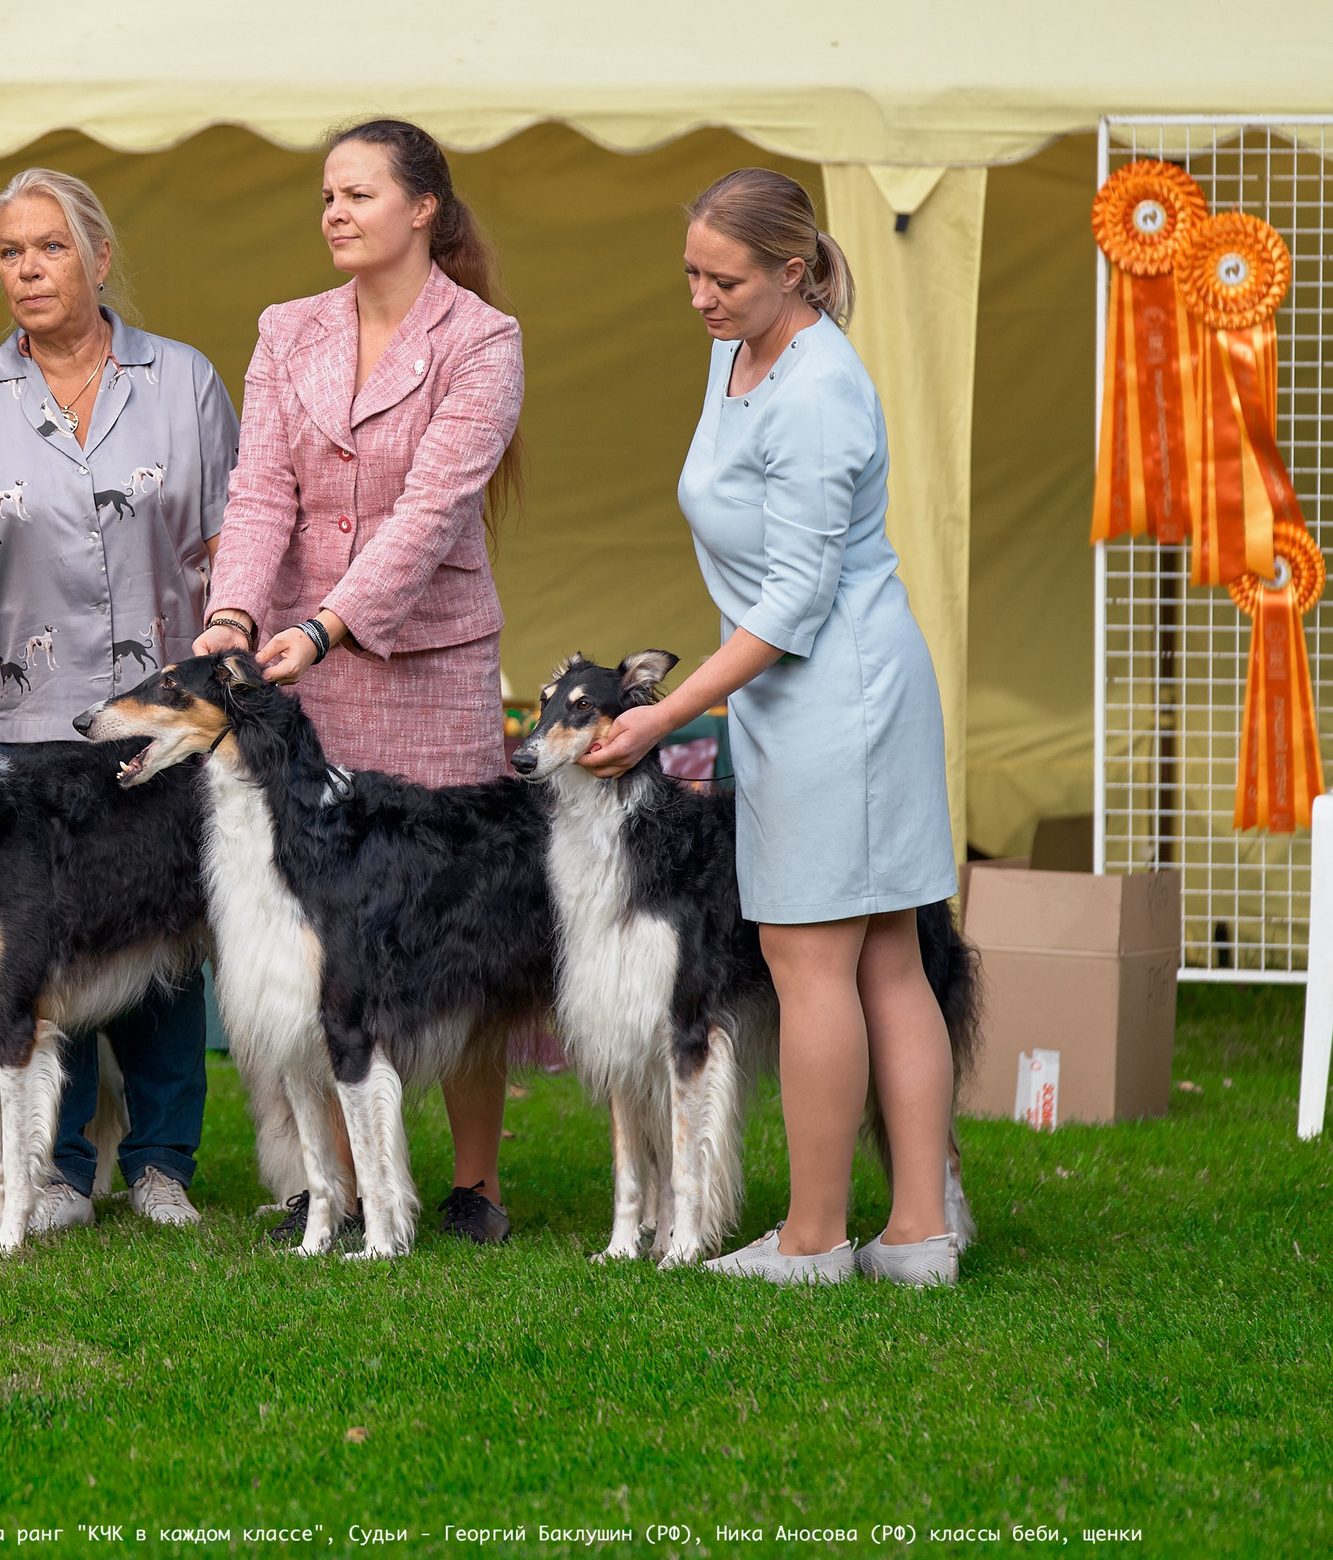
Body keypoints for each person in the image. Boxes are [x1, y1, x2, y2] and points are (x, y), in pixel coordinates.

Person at [582, 168, 961, 1286]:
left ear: (792, 272)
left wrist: (664, 712)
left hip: (836, 691)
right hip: (801, 692)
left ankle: (816, 1237)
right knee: (881, 955)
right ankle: (915, 1236)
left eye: (725, 277)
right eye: (690, 272)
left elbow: (792, 603)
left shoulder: (819, 390)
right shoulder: (735, 351)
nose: (700, 295)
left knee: (817, 963)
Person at [0, 168, 239, 1232]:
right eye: (10, 252)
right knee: (44, 938)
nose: (28, 270)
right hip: (34, 722)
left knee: (167, 928)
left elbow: (231, 532)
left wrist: (247, 640)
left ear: (99, 258)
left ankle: (163, 1162)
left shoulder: (183, 380)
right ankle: (59, 1171)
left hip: (165, 722)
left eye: (49, 249)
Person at [193, 117, 526, 1245]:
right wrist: (234, 614)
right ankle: (337, 1185)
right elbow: (257, 497)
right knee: (315, 928)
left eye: (358, 195)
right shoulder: (285, 330)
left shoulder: (482, 339)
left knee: (453, 920)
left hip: (425, 663)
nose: (333, 213)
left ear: (423, 208)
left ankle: (474, 1181)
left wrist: (330, 624)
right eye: (325, 197)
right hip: (301, 667)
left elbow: (435, 512)